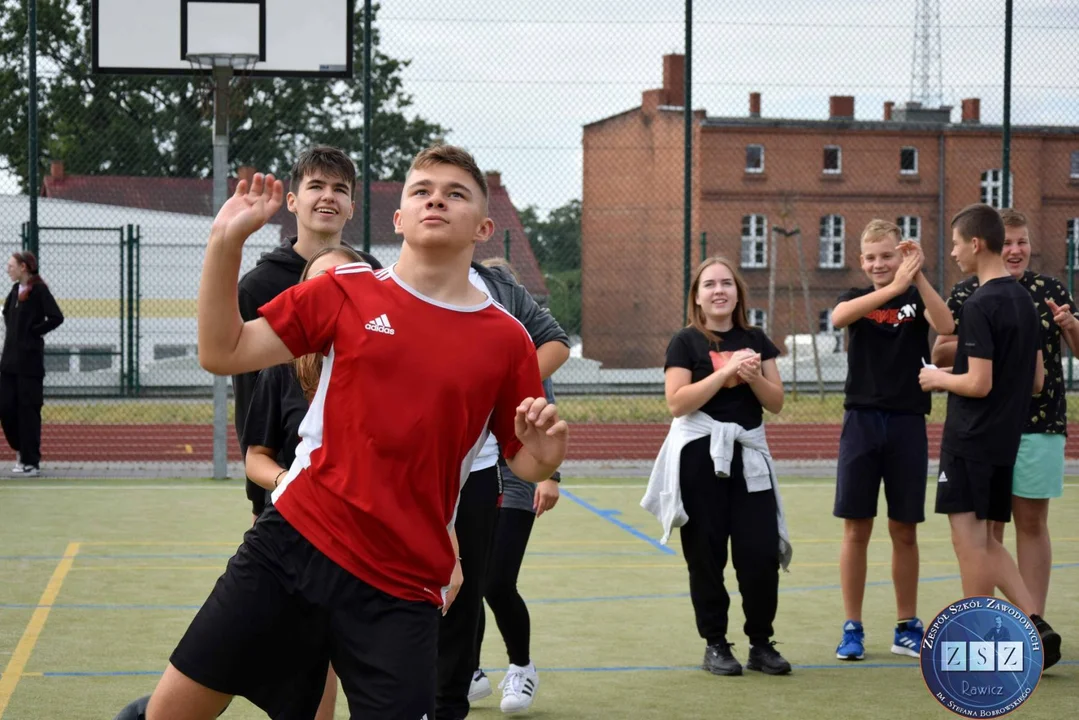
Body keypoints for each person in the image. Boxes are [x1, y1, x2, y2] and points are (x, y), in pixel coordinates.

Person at [113, 144, 569, 720]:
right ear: (399, 218)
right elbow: (221, 350)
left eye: (455, 193)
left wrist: (546, 457)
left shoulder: (506, 339)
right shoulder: (346, 289)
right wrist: (224, 244)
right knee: (167, 714)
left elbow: (521, 459)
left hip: (402, 584)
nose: (436, 199)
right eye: (421, 189)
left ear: (483, 226)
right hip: (292, 545)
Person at [918, 203, 1061, 670]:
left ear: (976, 243)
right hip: (1004, 439)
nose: (955, 253)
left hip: (970, 439)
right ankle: (1034, 623)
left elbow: (977, 383)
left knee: (971, 544)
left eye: (957, 244)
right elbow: (1037, 380)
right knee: (988, 542)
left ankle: (987, 644)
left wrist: (938, 379)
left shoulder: (980, 303)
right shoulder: (1024, 300)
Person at [642, 257, 792, 677]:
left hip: (748, 457)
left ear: (739, 293)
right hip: (699, 457)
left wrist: (752, 377)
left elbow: (776, 402)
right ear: (697, 296)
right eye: (709, 284)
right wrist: (724, 373)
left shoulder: (757, 339)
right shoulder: (685, 342)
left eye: (727, 283)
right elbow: (677, 402)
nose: (719, 290)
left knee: (759, 552)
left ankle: (761, 643)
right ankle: (716, 644)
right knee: (706, 554)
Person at [439, 256, 569, 720]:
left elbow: (544, 412)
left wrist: (550, 477)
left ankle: (521, 665)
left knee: (495, 579)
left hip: (514, 473)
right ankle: (469, 670)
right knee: (465, 580)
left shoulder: (520, 351)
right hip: (466, 467)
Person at [241, 245, 365, 720]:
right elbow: (256, 457)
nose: (332, 293)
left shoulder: (385, 364)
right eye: (320, 283)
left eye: (345, 281)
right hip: (298, 533)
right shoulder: (281, 365)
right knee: (310, 669)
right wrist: (288, 479)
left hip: (371, 544)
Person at [233, 145, 381, 521]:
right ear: (294, 202)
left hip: (364, 480)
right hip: (291, 484)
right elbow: (251, 396)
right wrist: (260, 497)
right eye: (317, 186)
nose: (329, 196)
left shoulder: (373, 275)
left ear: (351, 207)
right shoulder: (259, 285)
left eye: (340, 189)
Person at [829, 220, 955, 661]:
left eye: (888, 255)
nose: (880, 264)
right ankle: (853, 628)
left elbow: (946, 324)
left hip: (906, 422)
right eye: (871, 258)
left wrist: (915, 276)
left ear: (901, 255)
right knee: (856, 527)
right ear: (861, 262)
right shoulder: (855, 299)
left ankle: (906, 625)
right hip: (861, 421)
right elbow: (839, 318)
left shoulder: (915, 294)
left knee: (904, 529)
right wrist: (892, 285)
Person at [1, 250, 64, 478]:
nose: (7, 268)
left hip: (29, 365)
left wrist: (33, 333)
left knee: (28, 412)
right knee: (6, 408)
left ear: (23, 268)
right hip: (8, 364)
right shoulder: (14, 291)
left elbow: (56, 317)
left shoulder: (39, 290)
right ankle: (21, 450)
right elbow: (8, 315)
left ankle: (31, 462)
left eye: (11, 265)